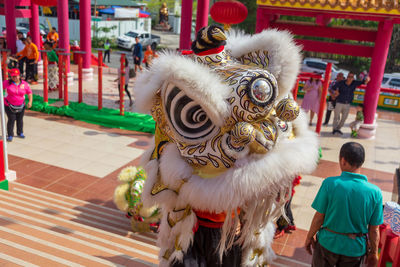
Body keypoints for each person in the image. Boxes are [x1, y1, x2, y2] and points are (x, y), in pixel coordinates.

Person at [305, 142, 382, 267]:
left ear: (343, 160)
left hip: (327, 244)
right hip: (354, 250)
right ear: (361, 162)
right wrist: (373, 253)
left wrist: (309, 237)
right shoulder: (375, 193)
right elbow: (374, 230)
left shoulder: (330, 184)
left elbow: (319, 217)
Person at [3, 69, 33, 142]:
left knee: (20, 119)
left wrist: (30, 102)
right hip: (9, 105)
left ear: (19, 76)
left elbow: (29, 93)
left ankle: (20, 133)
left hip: (21, 105)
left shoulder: (25, 84)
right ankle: (10, 135)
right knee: (11, 119)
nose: (15, 78)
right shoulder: (6, 83)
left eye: (16, 76)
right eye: (13, 76)